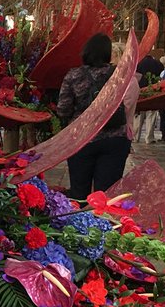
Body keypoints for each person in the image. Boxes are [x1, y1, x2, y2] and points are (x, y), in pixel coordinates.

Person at [56, 33, 132, 199]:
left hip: (82, 139)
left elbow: (63, 109)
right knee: (107, 195)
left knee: (79, 192)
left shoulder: (74, 76)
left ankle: (80, 222)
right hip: (114, 138)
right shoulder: (118, 74)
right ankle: (104, 224)